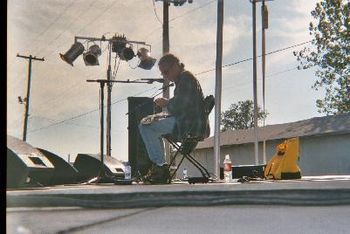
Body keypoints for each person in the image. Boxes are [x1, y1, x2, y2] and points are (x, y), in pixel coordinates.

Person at [138, 53, 209, 184]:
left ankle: (160, 167)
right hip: (189, 122)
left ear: (176, 65)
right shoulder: (184, 79)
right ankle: (160, 166)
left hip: (187, 125)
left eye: (166, 72)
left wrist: (166, 103)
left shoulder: (186, 78)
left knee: (146, 126)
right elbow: (185, 106)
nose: (165, 76)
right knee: (152, 127)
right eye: (163, 74)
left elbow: (180, 106)